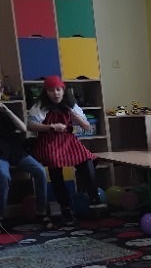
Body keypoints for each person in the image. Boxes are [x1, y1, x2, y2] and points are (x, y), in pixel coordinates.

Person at [26, 76, 103, 228]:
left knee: (86, 158)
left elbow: (87, 127)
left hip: (68, 139)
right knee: (55, 164)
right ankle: (65, 207)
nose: (55, 93)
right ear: (46, 92)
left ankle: (93, 197)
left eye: (58, 89)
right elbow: (31, 126)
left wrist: (76, 118)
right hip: (48, 141)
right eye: (51, 90)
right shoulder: (40, 106)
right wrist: (52, 127)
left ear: (63, 90)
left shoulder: (71, 104)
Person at [0, 100, 52, 229]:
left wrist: (7, 111)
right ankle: (1, 217)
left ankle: (41, 212)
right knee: (3, 176)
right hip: (1, 156)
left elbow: (23, 128)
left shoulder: (6, 111)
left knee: (40, 171)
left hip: (16, 152)